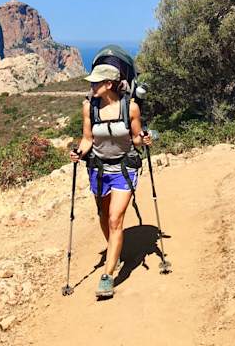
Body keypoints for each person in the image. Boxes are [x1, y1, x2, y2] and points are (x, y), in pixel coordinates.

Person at [69, 63, 153, 299]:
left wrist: (144, 140)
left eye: (96, 82)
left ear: (109, 84)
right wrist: (79, 152)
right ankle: (114, 251)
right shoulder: (89, 107)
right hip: (98, 169)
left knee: (116, 219)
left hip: (123, 169)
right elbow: (87, 139)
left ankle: (107, 276)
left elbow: (135, 138)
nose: (91, 86)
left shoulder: (130, 108)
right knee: (104, 216)